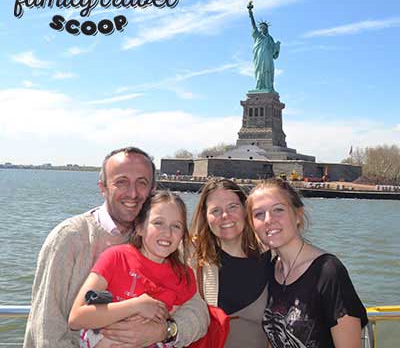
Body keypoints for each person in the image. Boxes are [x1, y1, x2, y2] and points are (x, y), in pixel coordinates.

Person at [23, 147, 208, 348]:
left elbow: (197, 312)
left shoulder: (166, 244)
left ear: (152, 189)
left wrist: (165, 331)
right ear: (103, 187)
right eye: (121, 182)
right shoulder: (70, 238)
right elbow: (47, 325)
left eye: (142, 183)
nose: (133, 193)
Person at [248, 178, 368, 348]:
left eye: (278, 210)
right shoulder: (270, 269)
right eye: (259, 214)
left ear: (298, 215)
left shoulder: (328, 272)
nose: (268, 219)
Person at [69, 191, 197, 348]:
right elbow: (77, 318)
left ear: (183, 235)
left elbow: (170, 321)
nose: (167, 232)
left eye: (176, 226)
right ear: (140, 227)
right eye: (158, 223)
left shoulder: (184, 276)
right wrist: (136, 306)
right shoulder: (116, 258)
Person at [190, 178, 270, 348]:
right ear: (205, 216)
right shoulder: (192, 258)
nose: (225, 216)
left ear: (245, 209)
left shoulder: (273, 257)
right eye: (216, 210)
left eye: (233, 206)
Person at [247, 0, 280, 93]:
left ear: (267, 29)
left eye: (265, 28)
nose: (263, 29)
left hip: (268, 58)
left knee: (268, 71)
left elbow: (274, 53)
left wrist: (277, 46)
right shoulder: (258, 36)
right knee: (260, 72)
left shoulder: (270, 38)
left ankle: (268, 87)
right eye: (261, 27)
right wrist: (250, 13)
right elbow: (253, 25)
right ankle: (259, 87)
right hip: (259, 57)